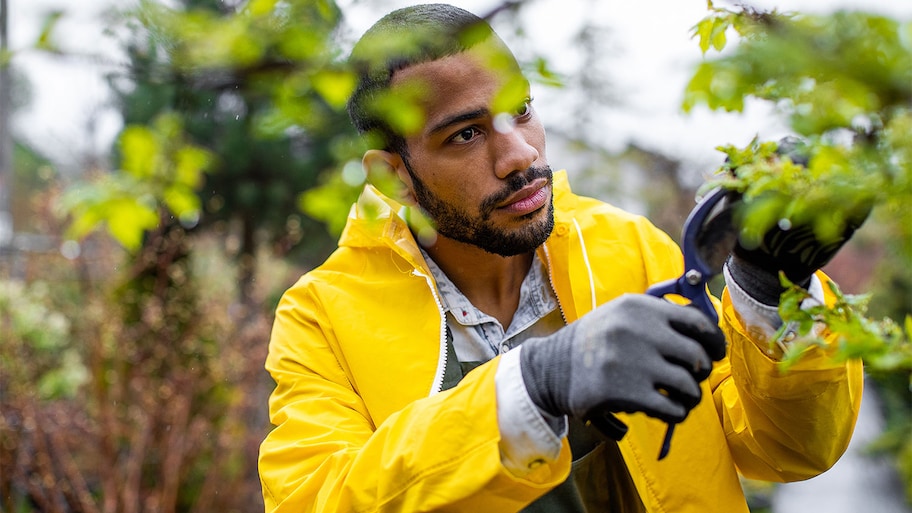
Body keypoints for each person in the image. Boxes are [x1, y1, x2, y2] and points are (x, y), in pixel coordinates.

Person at [258, 4, 864, 512]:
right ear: (393, 177)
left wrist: (769, 295)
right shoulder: (321, 317)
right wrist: (535, 384)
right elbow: (313, 499)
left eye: (520, 110)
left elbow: (787, 450)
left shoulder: (630, 247)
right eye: (466, 134)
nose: (519, 154)